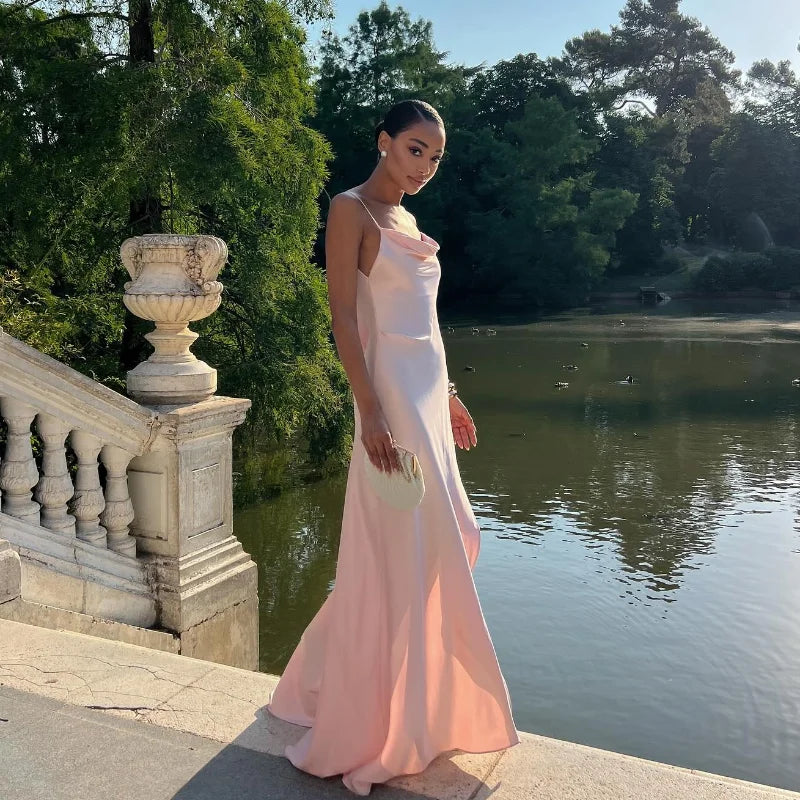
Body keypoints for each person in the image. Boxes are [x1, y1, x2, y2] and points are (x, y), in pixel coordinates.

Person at [267, 99, 520, 795]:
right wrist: (369, 410)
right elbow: (344, 316)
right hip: (391, 409)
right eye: (415, 150)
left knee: (451, 537)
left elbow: (425, 326)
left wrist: (454, 394)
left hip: (427, 402)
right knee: (410, 551)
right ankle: (385, 718)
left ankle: (414, 703)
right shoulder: (352, 210)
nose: (426, 167)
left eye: (436, 157)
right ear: (383, 142)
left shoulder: (410, 220)